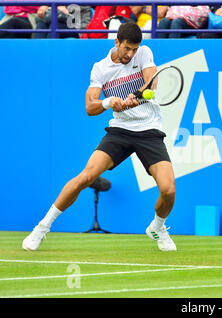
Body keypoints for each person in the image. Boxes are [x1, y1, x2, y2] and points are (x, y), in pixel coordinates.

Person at [22, 22, 177, 252]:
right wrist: (108, 102)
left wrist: (136, 94)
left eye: (135, 49)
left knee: (168, 190)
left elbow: (152, 81)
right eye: (127, 48)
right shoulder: (100, 68)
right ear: (116, 42)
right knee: (85, 177)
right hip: (120, 130)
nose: (131, 53)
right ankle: (42, 228)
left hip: (149, 130)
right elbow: (89, 107)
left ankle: (157, 227)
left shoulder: (144, 53)